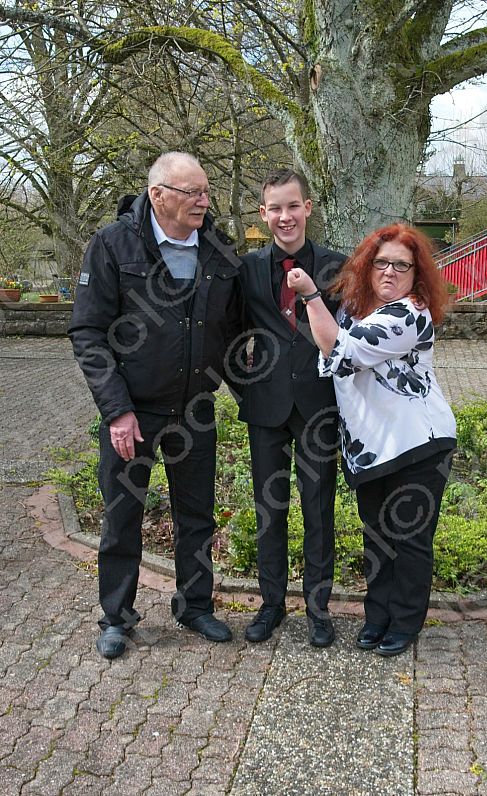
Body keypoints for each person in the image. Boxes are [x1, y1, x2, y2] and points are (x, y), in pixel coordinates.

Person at [69, 152, 241, 659]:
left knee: (198, 515)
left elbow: (233, 330)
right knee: (122, 516)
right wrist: (116, 409)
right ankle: (117, 617)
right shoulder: (112, 244)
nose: (203, 202)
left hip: (195, 410)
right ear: (158, 194)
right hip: (133, 413)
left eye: (206, 192)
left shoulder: (217, 250)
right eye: (192, 192)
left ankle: (195, 605)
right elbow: (87, 331)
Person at [287, 223, 456, 656]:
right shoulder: (353, 310)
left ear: (416, 274)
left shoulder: (409, 314)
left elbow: (340, 351)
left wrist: (308, 296)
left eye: (402, 265)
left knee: (410, 540)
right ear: (367, 266)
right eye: (382, 263)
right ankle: (376, 616)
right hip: (370, 450)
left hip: (418, 444)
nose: (390, 272)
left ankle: (404, 623)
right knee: (377, 538)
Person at [230, 169, 346, 647]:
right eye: (274, 208)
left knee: (319, 512)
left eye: (292, 206)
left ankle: (318, 609)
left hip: (319, 408)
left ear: (308, 207)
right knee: (269, 511)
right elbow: (232, 338)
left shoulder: (339, 267)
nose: (284, 216)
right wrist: (246, 392)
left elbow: (349, 337)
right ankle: (271, 604)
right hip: (265, 409)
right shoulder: (248, 269)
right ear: (263, 214)